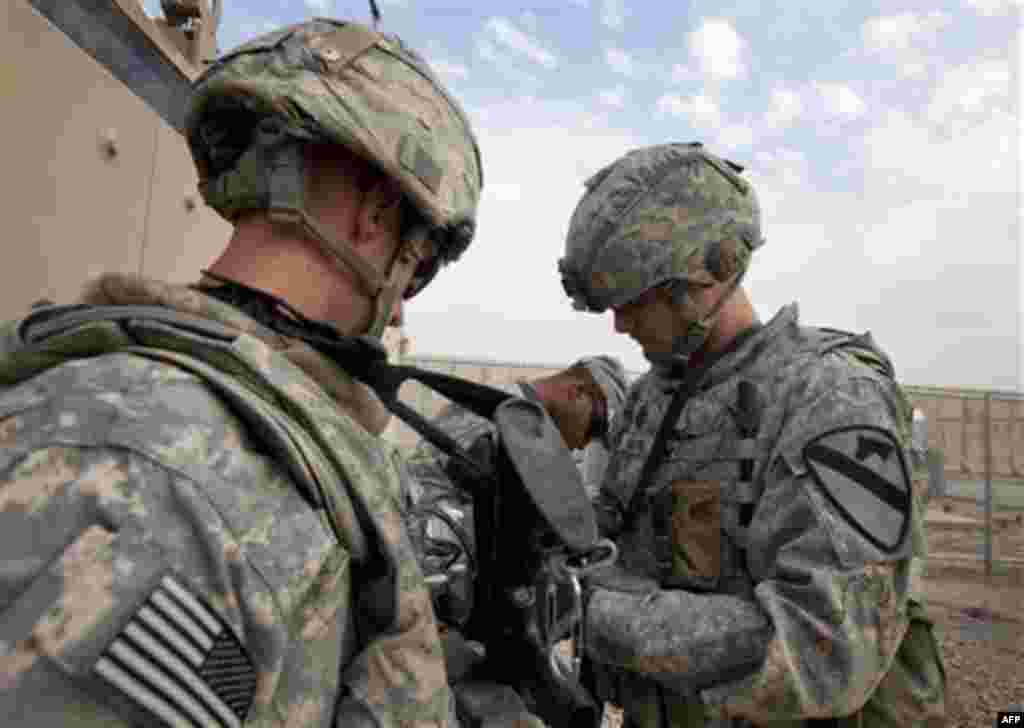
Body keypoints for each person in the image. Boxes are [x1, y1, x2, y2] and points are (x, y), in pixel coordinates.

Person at [0, 18, 483, 727]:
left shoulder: (221, 429)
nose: (403, 303)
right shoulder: (163, 477)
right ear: (376, 219)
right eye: (417, 266)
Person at [556, 142, 946, 727]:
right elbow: (617, 536)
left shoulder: (829, 396)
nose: (620, 322)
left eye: (636, 298)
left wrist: (592, 611)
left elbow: (826, 648)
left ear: (710, 270)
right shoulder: (653, 398)